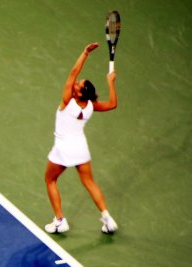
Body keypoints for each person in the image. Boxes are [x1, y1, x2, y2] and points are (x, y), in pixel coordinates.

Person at [44, 42, 118, 234]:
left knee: (50, 180)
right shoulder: (92, 106)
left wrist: (85, 53)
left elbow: (72, 72)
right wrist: (110, 83)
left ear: (78, 93)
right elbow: (112, 104)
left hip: (63, 148)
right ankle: (107, 219)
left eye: (78, 85)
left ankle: (60, 221)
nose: (75, 83)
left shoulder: (68, 100)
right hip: (80, 148)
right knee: (90, 182)